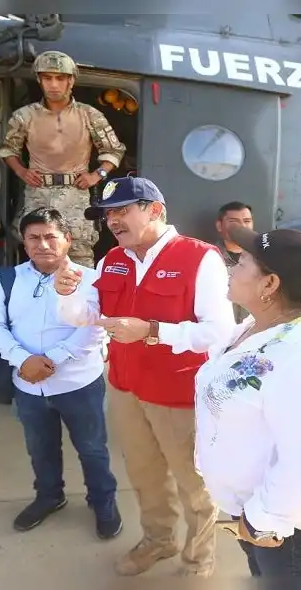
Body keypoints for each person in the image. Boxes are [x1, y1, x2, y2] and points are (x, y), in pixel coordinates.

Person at [54, 176, 235, 577]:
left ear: (154, 210)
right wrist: (66, 293)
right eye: (108, 215)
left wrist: (152, 330)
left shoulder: (199, 258)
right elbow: (86, 316)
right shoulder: (111, 260)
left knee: (194, 482)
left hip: (177, 393)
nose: (113, 222)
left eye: (122, 210)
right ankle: (159, 538)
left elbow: (219, 332)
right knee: (143, 471)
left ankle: (198, 555)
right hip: (124, 386)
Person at [194, 226, 301, 578]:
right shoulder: (257, 327)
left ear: (269, 285)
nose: (230, 266)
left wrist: (263, 521)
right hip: (252, 510)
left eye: (242, 261)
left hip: (284, 526)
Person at [0, 206, 121, 539]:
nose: (42, 244)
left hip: (77, 384)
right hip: (28, 385)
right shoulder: (7, 278)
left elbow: (94, 329)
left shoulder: (92, 279)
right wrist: (22, 359)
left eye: (50, 236)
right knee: (40, 448)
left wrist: (51, 360)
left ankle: (103, 502)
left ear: (67, 240)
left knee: (92, 449)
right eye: (33, 238)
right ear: (24, 242)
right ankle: (49, 496)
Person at [0, 50, 127, 268]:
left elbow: (114, 150)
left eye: (60, 78)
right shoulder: (24, 116)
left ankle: (81, 302)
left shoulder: (89, 115)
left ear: (71, 81)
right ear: (39, 80)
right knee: (39, 254)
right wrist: (21, 171)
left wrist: (97, 175)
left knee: (79, 256)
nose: (54, 85)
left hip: (75, 194)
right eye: (47, 78)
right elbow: (8, 149)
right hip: (38, 194)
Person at [215, 201, 254, 323]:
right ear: (220, 226)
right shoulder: (209, 257)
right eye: (233, 222)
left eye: (247, 221)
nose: (242, 226)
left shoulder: (261, 259)